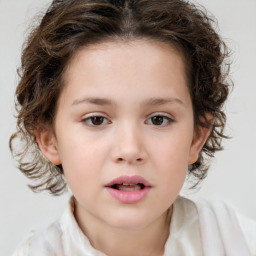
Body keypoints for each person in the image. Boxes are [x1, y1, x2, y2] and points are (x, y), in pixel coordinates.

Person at [10, 0, 256, 255]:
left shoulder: (237, 241)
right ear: (48, 138)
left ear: (196, 137)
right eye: (96, 119)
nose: (129, 150)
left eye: (158, 119)